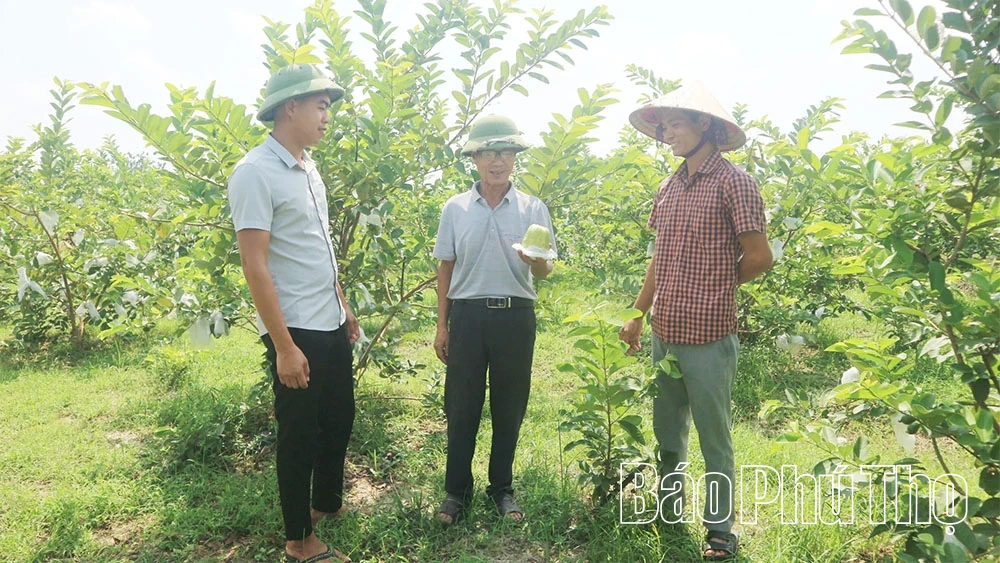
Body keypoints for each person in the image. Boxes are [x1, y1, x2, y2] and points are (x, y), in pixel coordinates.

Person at [619, 82, 773, 561]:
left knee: (714, 434)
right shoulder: (668, 186)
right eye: (662, 125)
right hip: (666, 331)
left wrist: (716, 287)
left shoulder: (735, 182)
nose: (666, 133)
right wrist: (638, 314)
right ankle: (668, 510)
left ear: (705, 125)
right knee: (668, 430)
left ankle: (720, 528)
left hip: (709, 334)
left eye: (676, 123)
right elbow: (658, 258)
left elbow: (760, 256)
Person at [228, 63, 359, 563]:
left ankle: (325, 505)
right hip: (294, 327)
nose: (328, 117)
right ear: (291, 107)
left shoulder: (308, 167)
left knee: (339, 417)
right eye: (321, 106)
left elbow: (320, 247)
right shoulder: (254, 172)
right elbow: (255, 265)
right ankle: (300, 540)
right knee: (299, 434)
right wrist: (284, 347)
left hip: (327, 317)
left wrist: (343, 305)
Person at [431, 114, 556, 525]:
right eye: (489, 152)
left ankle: (501, 488)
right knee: (461, 405)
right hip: (467, 315)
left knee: (509, 406)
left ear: (515, 157)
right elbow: (445, 268)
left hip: (515, 316)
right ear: (475, 158)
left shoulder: (532, 208)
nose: (497, 161)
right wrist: (442, 325)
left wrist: (534, 261)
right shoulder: (456, 208)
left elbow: (544, 271)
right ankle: (455, 492)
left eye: (505, 152)